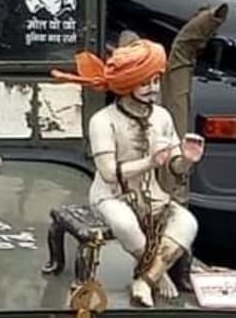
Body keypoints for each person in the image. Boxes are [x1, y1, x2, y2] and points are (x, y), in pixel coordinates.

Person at [52, 38, 202, 307]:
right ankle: (155, 272)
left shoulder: (163, 117)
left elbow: (174, 164)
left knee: (188, 223)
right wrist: (149, 162)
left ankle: (146, 279)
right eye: (144, 83)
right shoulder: (103, 121)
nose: (152, 90)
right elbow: (109, 173)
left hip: (153, 198)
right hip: (111, 197)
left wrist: (187, 160)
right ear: (126, 84)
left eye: (156, 82)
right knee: (125, 225)